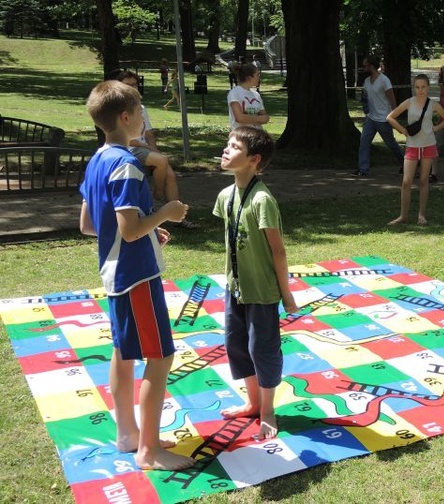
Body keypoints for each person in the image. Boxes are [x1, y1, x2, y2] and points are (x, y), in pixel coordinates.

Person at [79, 80, 195, 471]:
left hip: (116, 274)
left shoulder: (97, 160)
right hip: (136, 277)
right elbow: (128, 231)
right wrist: (167, 214)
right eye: (141, 109)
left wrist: (149, 230)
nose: (145, 115)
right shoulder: (127, 165)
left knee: (123, 352)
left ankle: (127, 433)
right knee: (160, 357)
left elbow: (90, 225)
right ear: (126, 117)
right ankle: (148, 451)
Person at [213, 126, 299, 439]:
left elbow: (278, 250)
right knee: (236, 346)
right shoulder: (226, 196)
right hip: (234, 288)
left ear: (254, 160)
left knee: (261, 349)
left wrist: (286, 295)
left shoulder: (262, 200)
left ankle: (267, 410)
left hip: (262, 292)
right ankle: (251, 402)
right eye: (227, 144)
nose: (226, 150)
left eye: (234, 146)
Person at [117, 71, 197, 229]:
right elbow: (121, 138)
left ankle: (179, 218)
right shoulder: (117, 109)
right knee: (161, 161)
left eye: (134, 84)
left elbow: (149, 133)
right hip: (129, 150)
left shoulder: (141, 107)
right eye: (128, 84)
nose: (132, 87)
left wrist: (153, 149)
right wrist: (148, 148)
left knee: (170, 174)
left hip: (144, 149)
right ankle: (158, 193)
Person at [386, 74, 444, 226]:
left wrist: (435, 128)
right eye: (417, 87)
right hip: (412, 146)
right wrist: (403, 130)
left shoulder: (433, 104)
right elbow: (390, 117)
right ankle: (403, 216)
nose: (420, 90)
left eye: (423, 87)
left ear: (428, 87)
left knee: (423, 181)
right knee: (406, 182)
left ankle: (421, 216)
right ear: (414, 88)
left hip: (428, 145)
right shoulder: (409, 102)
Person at [352, 55, 404, 177]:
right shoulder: (366, 81)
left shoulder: (384, 80)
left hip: (384, 118)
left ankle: (406, 163)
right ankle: (363, 169)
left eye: (365, 65)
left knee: (391, 143)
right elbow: (365, 98)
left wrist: (394, 115)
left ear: (372, 66)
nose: (363, 68)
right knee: (364, 142)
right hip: (371, 117)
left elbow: (391, 98)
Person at [227, 63, 269, 130]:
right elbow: (239, 118)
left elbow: (266, 118)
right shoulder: (234, 93)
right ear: (249, 78)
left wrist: (248, 118)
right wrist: (259, 119)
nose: (259, 77)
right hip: (241, 135)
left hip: (258, 134)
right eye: (257, 75)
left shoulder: (256, 95)